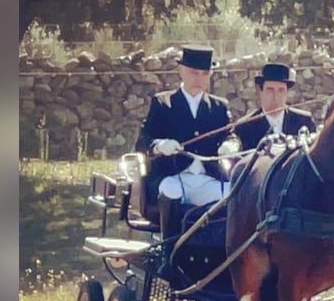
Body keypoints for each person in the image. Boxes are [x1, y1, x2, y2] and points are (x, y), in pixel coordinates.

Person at [135, 44, 231, 238]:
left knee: (231, 193)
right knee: (170, 191)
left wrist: (230, 145)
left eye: (204, 73)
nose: (199, 78)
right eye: (194, 72)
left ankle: (221, 253)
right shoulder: (163, 103)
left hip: (208, 178)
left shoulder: (219, 106)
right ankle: (169, 249)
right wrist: (160, 145)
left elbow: (230, 135)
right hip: (173, 178)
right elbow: (144, 141)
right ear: (181, 71)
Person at [233, 63, 315, 150]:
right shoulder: (244, 127)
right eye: (270, 90)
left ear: (287, 93)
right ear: (260, 91)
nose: (275, 96)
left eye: (281, 90)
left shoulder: (303, 121)